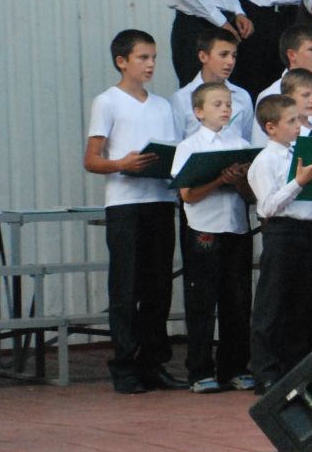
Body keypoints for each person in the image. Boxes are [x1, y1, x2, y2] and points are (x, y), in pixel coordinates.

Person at [83, 29, 182, 394]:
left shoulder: (162, 106)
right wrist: (122, 164)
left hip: (159, 200)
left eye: (153, 57)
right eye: (143, 57)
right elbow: (92, 159)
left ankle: (152, 364)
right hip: (125, 204)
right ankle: (124, 366)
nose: (150, 64)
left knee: (158, 288)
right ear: (122, 61)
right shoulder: (107, 102)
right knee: (126, 288)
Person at [171, 81, 255, 394]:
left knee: (238, 299)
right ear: (198, 111)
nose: (225, 110)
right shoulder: (189, 147)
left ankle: (235, 367)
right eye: (217, 104)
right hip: (203, 227)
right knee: (202, 300)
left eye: (228, 104)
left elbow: (250, 195)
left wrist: (239, 181)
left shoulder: (240, 143)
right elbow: (188, 195)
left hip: (236, 226)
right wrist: (219, 179)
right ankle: (200, 370)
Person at [246, 94, 312, 393]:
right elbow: (268, 207)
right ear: (271, 127)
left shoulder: (301, 155)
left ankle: (295, 367)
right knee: (273, 303)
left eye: (299, 119)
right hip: (282, 234)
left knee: (302, 304)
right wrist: (299, 181)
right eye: (292, 121)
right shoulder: (265, 160)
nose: (299, 126)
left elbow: (307, 205)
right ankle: (265, 371)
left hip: (310, 232)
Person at [170, 28, 254, 143]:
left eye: (234, 56)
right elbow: (175, 144)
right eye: (223, 55)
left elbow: (247, 140)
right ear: (203, 57)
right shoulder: (181, 98)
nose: (230, 61)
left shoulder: (242, 96)